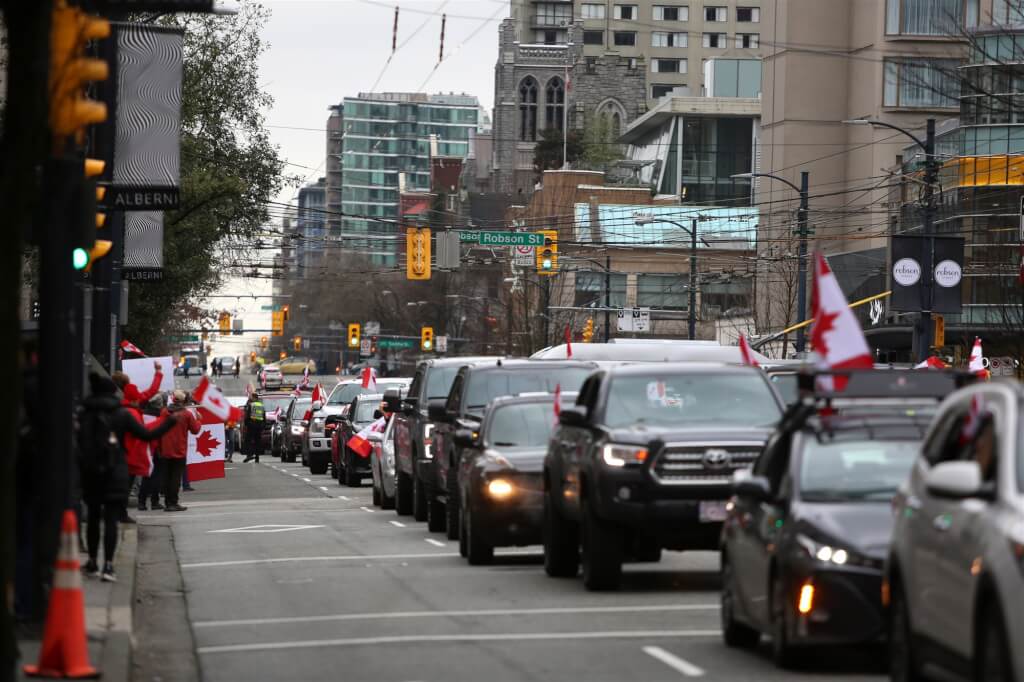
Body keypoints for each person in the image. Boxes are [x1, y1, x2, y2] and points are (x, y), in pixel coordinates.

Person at [78, 373, 178, 581]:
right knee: (112, 521)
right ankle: (108, 566)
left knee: (95, 518)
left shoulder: (83, 414)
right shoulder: (122, 415)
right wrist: (168, 424)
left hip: (91, 473)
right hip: (116, 471)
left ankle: (92, 562)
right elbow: (146, 435)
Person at [111, 361, 164, 523]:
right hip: (128, 453)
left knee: (124, 486)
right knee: (124, 486)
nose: (140, 399)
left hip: (125, 453)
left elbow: (150, 392)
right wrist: (158, 373)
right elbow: (150, 391)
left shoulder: (123, 406)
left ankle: (119, 512)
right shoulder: (130, 412)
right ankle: (120, 513)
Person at [158, 390, 201, 512]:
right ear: (183, 401)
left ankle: (167, 502)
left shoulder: (164, 412)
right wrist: (198, 420)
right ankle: (173, 502)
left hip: (165, 448)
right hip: (179, 449)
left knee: (167, 476)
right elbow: (195, 430)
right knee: (175, 478)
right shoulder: (186, 414)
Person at [137, 393, 167, 511]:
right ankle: (154, 502)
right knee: (156, 476)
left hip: (143, 447)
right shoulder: (160, 418)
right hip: (156, 448)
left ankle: (142, 502)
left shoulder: (142, 415)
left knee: (146, 476)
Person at [242, 392, 266, 463]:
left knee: (248, 440)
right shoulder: (261, 405)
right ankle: (257, 457)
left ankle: (249, 455)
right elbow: (264, 417)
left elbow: (247, 416)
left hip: (251, 425)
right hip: (259, 426)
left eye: (252, 397)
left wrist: (246, 424)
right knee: (257, 442)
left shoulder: (251, 405)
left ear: (254, 397)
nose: (251, 398)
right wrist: (263, 426)